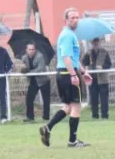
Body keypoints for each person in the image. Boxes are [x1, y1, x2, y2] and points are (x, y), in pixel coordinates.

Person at [39, 8, 92, 148]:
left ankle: (48, 127)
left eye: (77, 17)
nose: (75, 20)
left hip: (64, 73)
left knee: (68, 107)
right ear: (66, 20)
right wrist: (74, 75)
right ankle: (72, 141)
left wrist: (82, 71)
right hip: (68, 74)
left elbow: (73, 58)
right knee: (76, 106)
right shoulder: (68, 35)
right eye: (72, 17)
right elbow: (66, 57)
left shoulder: (68, 34)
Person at [21, 42, 51, 122]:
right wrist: (23, 69)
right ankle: (30, 117)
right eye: (29, 49)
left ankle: (46, 117)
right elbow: (22, 68)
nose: (31, 51)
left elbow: (40, 68)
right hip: (33, 81)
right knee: (29, 99)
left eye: (33, 49)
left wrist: (29, 72)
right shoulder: (24, 57)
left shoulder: (40, 56)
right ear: (26, 50)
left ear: (35, 49)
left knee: (46, 100)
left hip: (43, 80)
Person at [83, 38, 112, 119]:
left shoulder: (104, 52)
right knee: (94, 98)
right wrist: (86, 55)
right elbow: (84, 63)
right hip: (92, 79)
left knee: (104, 99)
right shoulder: (89, 53)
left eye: (97, 42)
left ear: (99, 42)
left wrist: (102, 67)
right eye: (94, 42)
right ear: (92, 43)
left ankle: (104, 115)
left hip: (103, 79)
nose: (95, 43)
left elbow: (109, 64)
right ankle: (94, 115)